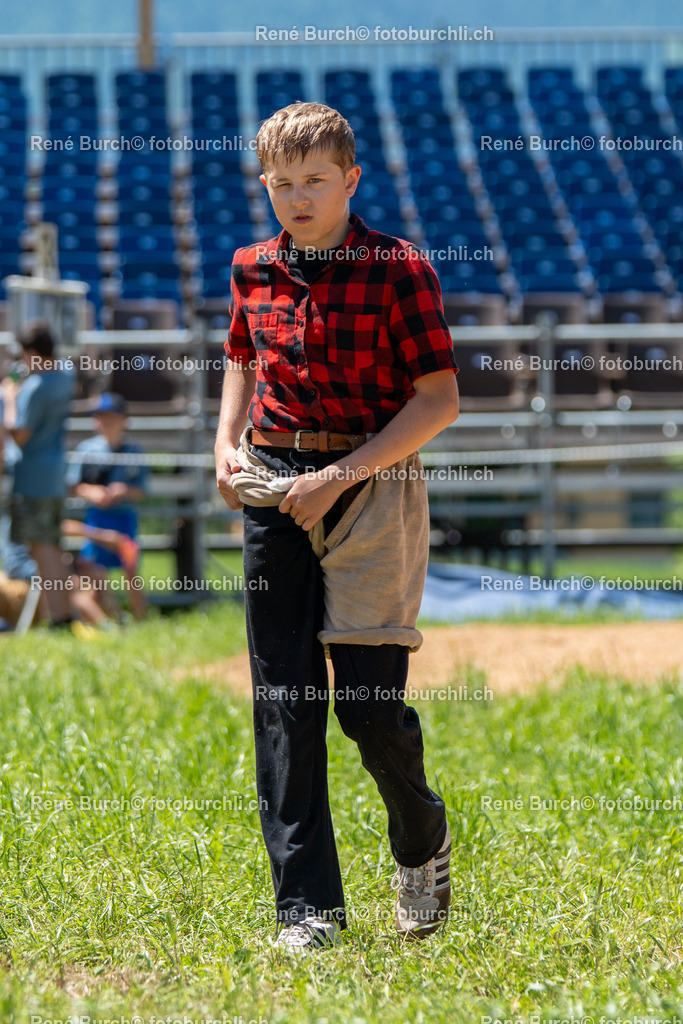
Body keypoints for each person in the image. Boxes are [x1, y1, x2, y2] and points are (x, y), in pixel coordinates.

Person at [215, 101, 460, 952]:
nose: (296, 197)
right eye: (280, 184)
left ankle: (420, 840)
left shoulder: (400, 270)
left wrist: (334, 478)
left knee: (364, 704)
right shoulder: (250, 267)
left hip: (370, 485)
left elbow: (439, 400)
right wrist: (224, 444)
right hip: (271, 485)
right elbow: (241, 358)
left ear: (350, 180)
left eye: (314, 181)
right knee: (283, 701)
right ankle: (306, 910)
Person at [1, 321, 76, 625]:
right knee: (51, 546)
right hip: (54, 473)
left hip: (33, 477)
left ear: (32, 352)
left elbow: (19, 434)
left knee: (41, 549)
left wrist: (8, 398)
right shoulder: (66, 375)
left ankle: (60, 617)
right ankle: (55, 615)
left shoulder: (34, 387)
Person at [66, 392, 149, 622]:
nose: (106, 422)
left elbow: (142, 490)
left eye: (112, 416)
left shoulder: (134, 451)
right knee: (95, 571)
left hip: (124, 518)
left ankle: (141, 620)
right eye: (101, 417)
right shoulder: (86, 449)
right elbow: (74, 485)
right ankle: (109, 619)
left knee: (130, 569)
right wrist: (92, 491)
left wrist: (124, 490)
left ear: (124, 420)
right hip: (97, 519)